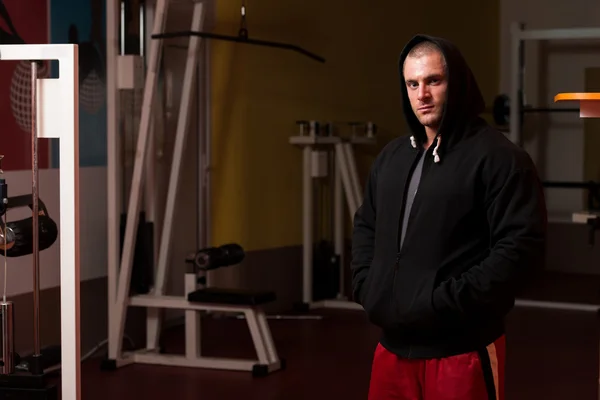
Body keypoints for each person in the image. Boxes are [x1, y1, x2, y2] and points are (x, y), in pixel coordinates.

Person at [351, 34, 548, 400]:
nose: (421, 95)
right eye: (412, 83)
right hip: (392, 350)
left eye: (433, 81)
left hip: (461, 349)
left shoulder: (499, 158)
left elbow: (519, 249)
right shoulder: (392, 158)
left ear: (455, 82)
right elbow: (366, 226)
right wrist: (368, 286)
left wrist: (444, 302)